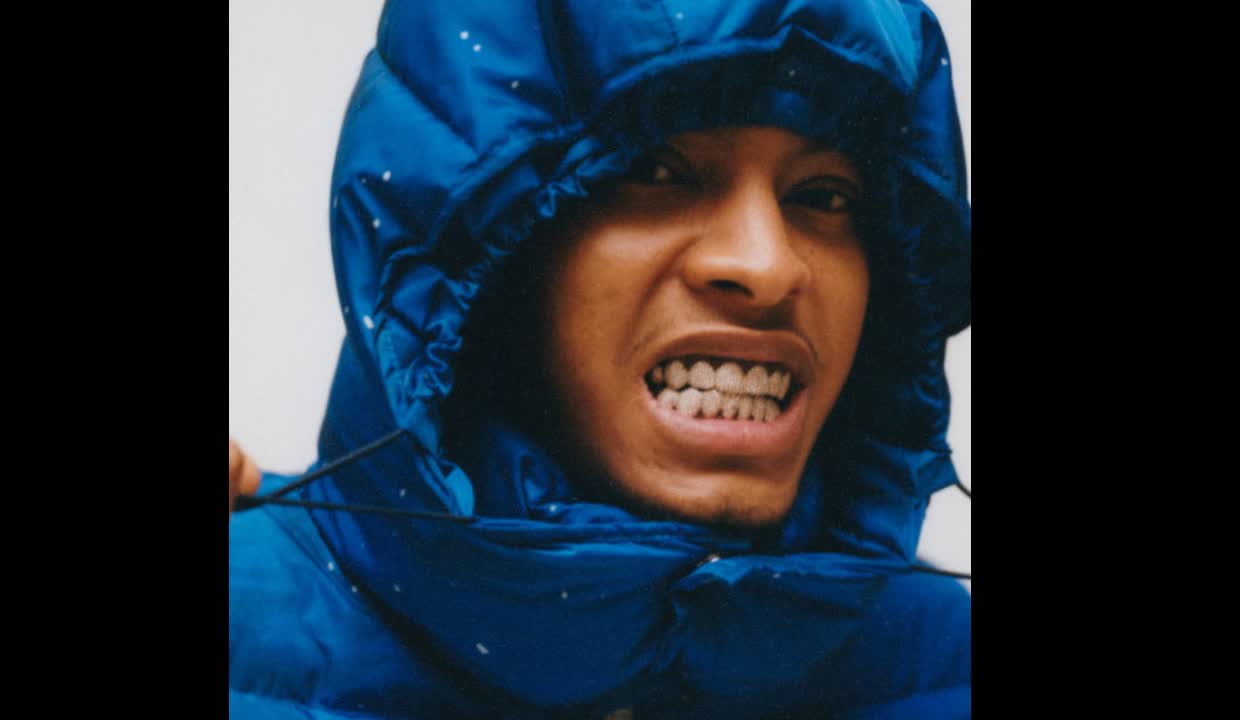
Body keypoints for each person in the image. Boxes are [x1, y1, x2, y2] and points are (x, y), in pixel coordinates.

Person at [229, 0, 971, 717]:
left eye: (825, 196)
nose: (766, 265)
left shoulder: (940, 664)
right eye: (655, 170)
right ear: (487, 249)